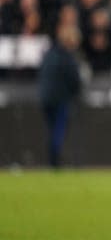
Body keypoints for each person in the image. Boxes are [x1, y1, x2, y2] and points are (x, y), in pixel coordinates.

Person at [38, 24, 82, 168]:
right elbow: (74, 80)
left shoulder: (49, 54)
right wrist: (76, 93)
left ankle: (53, 159)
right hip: (60, 99)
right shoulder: (67, 57)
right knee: (58, 131)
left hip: (45, 98)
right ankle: (54, 161)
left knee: (52, 130)